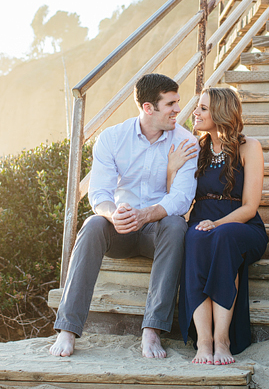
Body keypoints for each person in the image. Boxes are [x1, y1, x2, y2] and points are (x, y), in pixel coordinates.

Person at [50, 73, 199, 359]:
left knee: (175, 224)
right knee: (93, 223)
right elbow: (100, 194)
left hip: (158, 232)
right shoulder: (112, 138)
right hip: (121, 229)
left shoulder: (185, 142)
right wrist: (113, 213)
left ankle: (152, 330)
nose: (178, 110)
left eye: (178, 102)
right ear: (147, 108)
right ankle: (67, 329)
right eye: (170, 104)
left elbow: (181, 198)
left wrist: (146, 215)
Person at [175, 86, 267, 365]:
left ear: (220, 112)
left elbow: (250, 206)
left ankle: (222, 339)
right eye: (197, 107)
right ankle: (204, 341)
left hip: (241, 225)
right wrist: (171, 168)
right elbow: (177, 197)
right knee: (195, 238)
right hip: (203, 222)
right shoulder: (194, 148)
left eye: (203, 108)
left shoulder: (249, 147)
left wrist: (217, 223)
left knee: (222, 236)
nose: (196, 112)